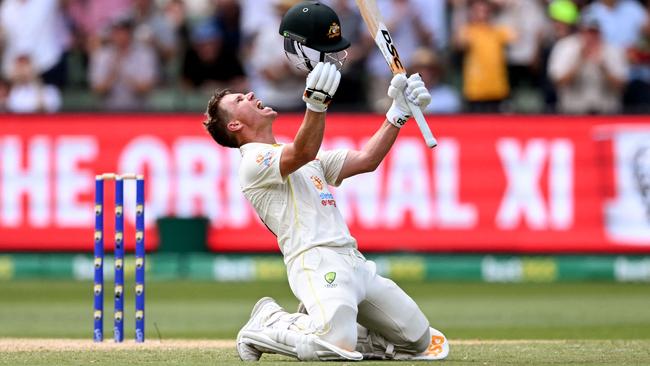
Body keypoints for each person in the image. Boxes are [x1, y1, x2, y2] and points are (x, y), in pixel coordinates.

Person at [202, 1, 449, 362]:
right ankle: (267, 322)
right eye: (240, 100)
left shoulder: (299, 155)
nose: (251, 95)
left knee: (421, 341)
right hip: (315, 262)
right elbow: (301, 153)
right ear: (234, 126)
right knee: (334, 342)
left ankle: (358, 335)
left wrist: (397, 113)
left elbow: (366, 160)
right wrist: (316, 105)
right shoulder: (253, 161)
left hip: (353, 260)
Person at [548, 10, 628, 114]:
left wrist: (603, 67)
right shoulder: (565, 47)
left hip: (606, 113)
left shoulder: (612, 50)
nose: (591, 36)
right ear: (580, 31)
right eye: (587, 32)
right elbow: (558, 83)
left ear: (600, 32)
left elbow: (622, 87)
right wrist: (579, 61)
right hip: (572, 113)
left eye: (594, 32)